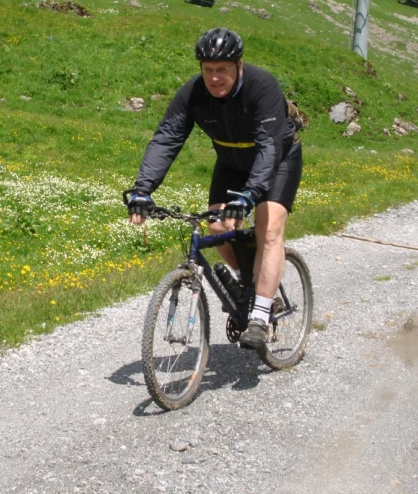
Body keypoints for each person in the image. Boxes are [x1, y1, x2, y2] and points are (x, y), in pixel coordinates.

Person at [126, 27, 302, 349]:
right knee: (217, 223)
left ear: (239, 65)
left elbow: (268, 149)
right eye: (208, 70)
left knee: (269, 226)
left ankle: (261, 318)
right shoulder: (193, 94)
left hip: (277, 158)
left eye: (222, 69)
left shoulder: (262, 87)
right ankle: (253, 282)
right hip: (232, 162)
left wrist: (250, 196)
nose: (215, 77)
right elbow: (166, 138)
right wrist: (142, 189)